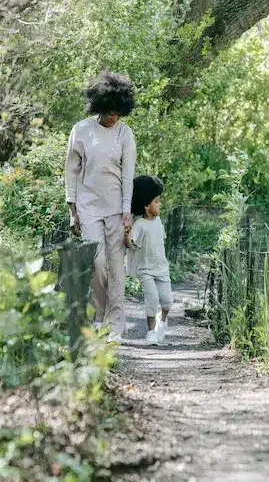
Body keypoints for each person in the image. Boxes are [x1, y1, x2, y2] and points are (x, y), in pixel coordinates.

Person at [65, 71, 136, 343]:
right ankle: (101, 317)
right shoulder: (81, 130)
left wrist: (127, 212)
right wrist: (72, 209)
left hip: (117, 208)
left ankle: (116, 325)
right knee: (96, 263)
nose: (113, 117)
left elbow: (128, 175)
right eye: (109, 112)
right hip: (87, 206)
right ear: (99, 107)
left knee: (116, 266)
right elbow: (71, 170)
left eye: (118, 113)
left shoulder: (125, 134)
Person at [125, 175, 172, 346]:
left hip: (161, 268)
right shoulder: (139, 225)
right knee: (151, 299)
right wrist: (126, 235)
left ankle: (162, 318)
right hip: (145, 269)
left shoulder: (159, 221)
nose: (160, 205)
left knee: (167, 301)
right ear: (146, 206)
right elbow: (130, 245)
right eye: (157, 202)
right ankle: (151, 331)